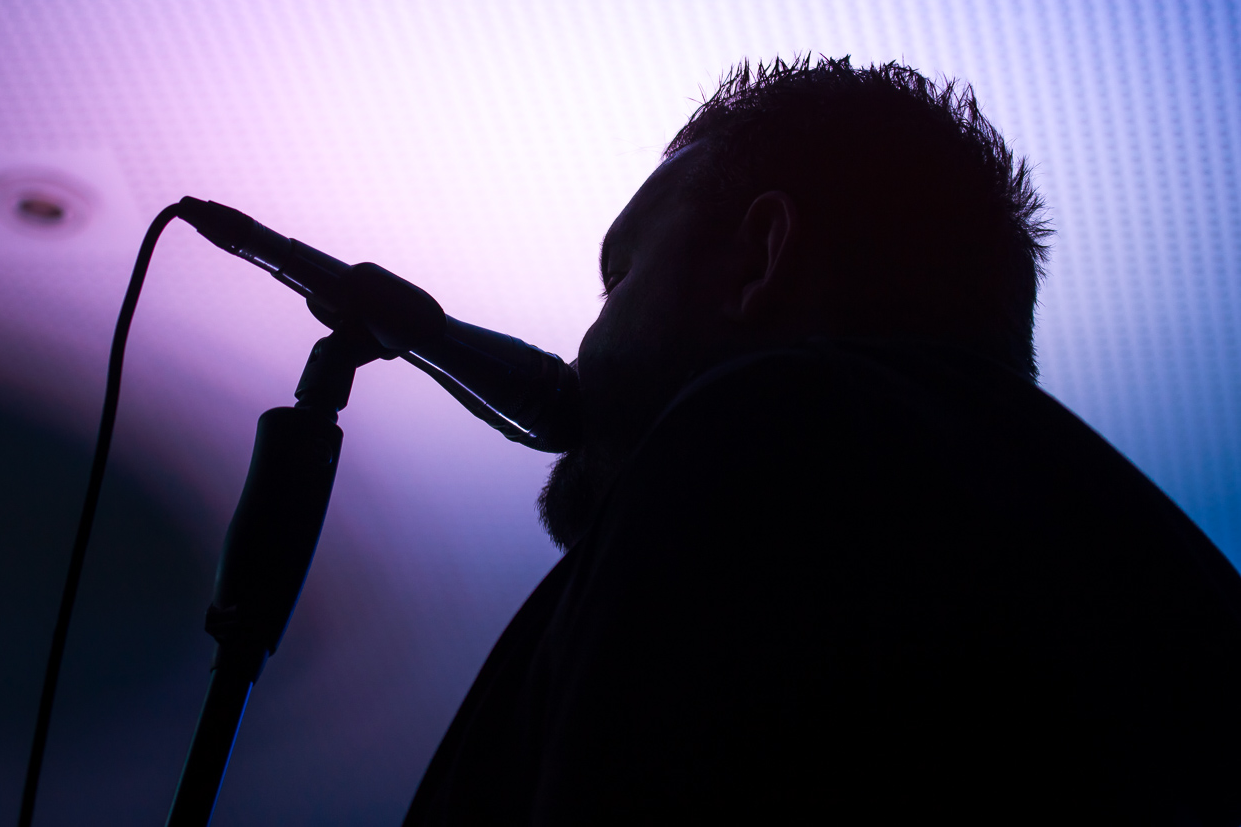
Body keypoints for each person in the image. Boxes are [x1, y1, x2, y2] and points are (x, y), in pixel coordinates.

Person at [403, 57, 1241, 825]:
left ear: (759, 259)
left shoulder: (757, 449)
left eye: (618, 277)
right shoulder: (1158, 588)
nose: (583, 341)